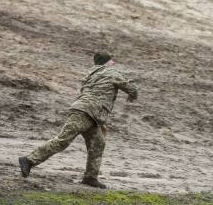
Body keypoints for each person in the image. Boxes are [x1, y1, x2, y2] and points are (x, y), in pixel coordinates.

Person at [18, 52, 138, 188]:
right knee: (63, 140)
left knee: (98, 143)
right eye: (112, 61)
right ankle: (28, 160)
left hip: (90, 114)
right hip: (84, 113)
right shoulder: (111, 72)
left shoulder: (90, 75)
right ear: (106, 62)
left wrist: (101, 122)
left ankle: (90, 177)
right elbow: (132, 88)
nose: (114, 63)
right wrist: (132, 96)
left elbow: (97, 95)